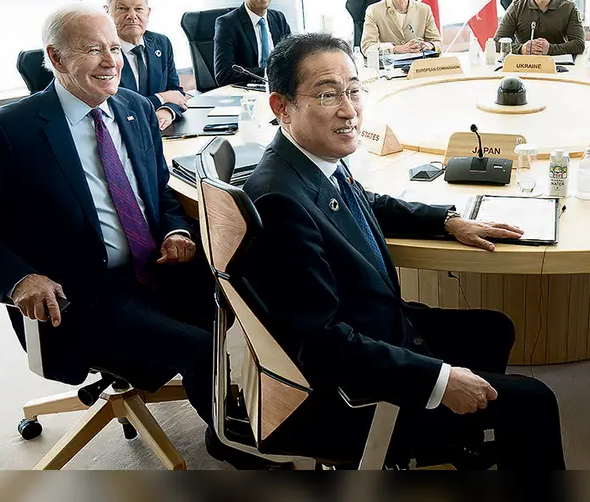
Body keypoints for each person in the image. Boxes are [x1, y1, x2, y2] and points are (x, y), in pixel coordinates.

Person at [239, 32, 566, 469]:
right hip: (350, 390)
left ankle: (452, 443)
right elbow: (321, 345)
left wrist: (447, 221)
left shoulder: (303, 161)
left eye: (354, 91)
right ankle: (430, 433)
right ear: (281, 107)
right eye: (328, 94)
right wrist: (440, 380)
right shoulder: (278, 201)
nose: (349, 109)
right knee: (535, 400)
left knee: (494, 330)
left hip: (377, 326)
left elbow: (366, 202)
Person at [0, 3, 280, 470]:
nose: (111, 60)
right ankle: (238, 448)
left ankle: (283, 421)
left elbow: (157, 190)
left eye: (114, 47)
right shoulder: (8, 130)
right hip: (80, 296)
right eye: (93, 50)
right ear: (57, 59)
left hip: (156, 269)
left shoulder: (135, 108)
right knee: (201, 345)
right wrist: (19, 279)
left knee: (250, 304)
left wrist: (177, 228)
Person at [104, 0, 188, 131]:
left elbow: (176, 92)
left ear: (148, 12)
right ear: (107, 11)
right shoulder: (103, 52)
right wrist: (160, 99)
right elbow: (112, 107)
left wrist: (167, 110)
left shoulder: (161, 43)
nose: (132, 15)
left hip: (162, 132)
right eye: (122, 9)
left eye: (138, 9)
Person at [213, 0, 292, 86]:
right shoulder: (227, 24)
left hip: (280, 88)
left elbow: (291, 59)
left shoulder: (278, 18)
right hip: (247, 93)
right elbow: (224, 74)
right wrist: (267, 73)